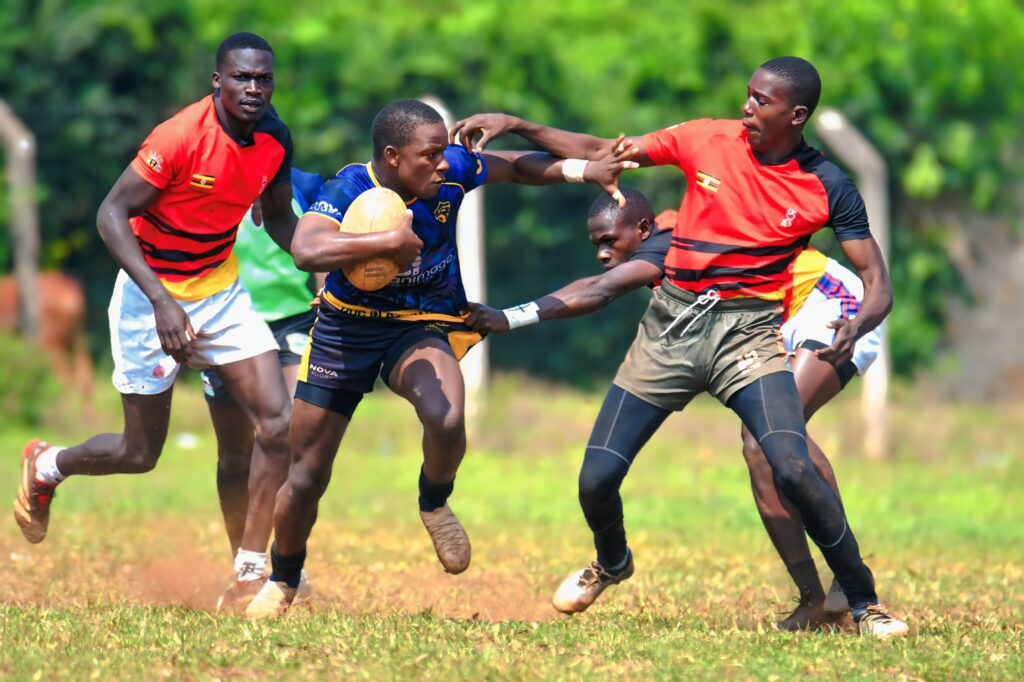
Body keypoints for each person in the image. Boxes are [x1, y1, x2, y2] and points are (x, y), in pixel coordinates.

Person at [451, 56, 908, 637]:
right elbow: (603, 151)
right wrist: (519, 122)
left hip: (751, 330)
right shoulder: (705, 142)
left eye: (761, 101)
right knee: (595, 480)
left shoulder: (828, 186)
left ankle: (862, 601)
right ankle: (614, 562)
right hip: (669, 332)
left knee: (784, 459)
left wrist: (859, 324)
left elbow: (878, 285)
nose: (747, 107)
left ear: (796, 115)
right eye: (747, 94)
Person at [244, 99, 632, 618]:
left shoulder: (450, 173)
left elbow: (516, 167)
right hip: (346, 330)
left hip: (421, 322)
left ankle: (434, 500)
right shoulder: (350, 189)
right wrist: (388, 243)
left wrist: (583, 170)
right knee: (308, 474)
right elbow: (308, 251)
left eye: (442, 151)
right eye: (428, 155)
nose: (443, 163)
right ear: (391, 156)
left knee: (447, 417)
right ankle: (283, 578)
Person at [468, 193, 880, 631]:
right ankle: (814, 601)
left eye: (609, 240)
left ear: (642, 231)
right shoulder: (663, 233)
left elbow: (597, 290)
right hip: (767, 318)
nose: (603, 252)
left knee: (770, 441)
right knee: (759, 447)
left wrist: (509, 317)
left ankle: (848, 576)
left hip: (826, 303)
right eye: (596, 244)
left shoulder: (667, 246)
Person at [14, 32, 298, 602]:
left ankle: (248, 570)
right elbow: (111, 214)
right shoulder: (179, 137)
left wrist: (328, 260)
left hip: (219, 290)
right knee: (138, 453)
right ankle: (48, 466)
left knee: (277, 420)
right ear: (217, 80)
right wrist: (164, 302)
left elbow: (281, 223)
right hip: (150, 296)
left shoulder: (275, 139)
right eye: (241, 77)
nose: (253, 88)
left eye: (263, 78)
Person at [205, 167, 326, 610]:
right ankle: (243, 563)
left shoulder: (307, 184)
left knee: (290, 431)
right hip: (224, 319)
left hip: (293, 320)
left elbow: (320, 239)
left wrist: (325, 291)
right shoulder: (206, 179)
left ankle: (278, 562)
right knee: (234, 455)